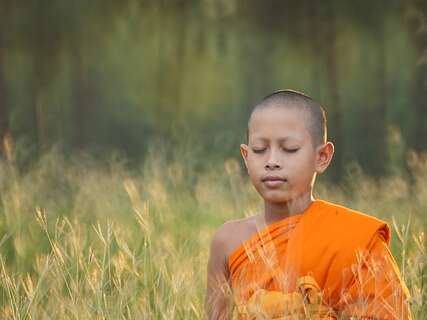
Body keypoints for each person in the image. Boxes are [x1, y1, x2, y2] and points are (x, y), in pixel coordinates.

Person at [205, 89, 412, 319]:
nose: (272, 161)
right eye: (260, 150)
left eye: (289, 149)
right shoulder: (227, 241)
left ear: (322, 157)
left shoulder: (356, 240)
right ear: (246, 157)